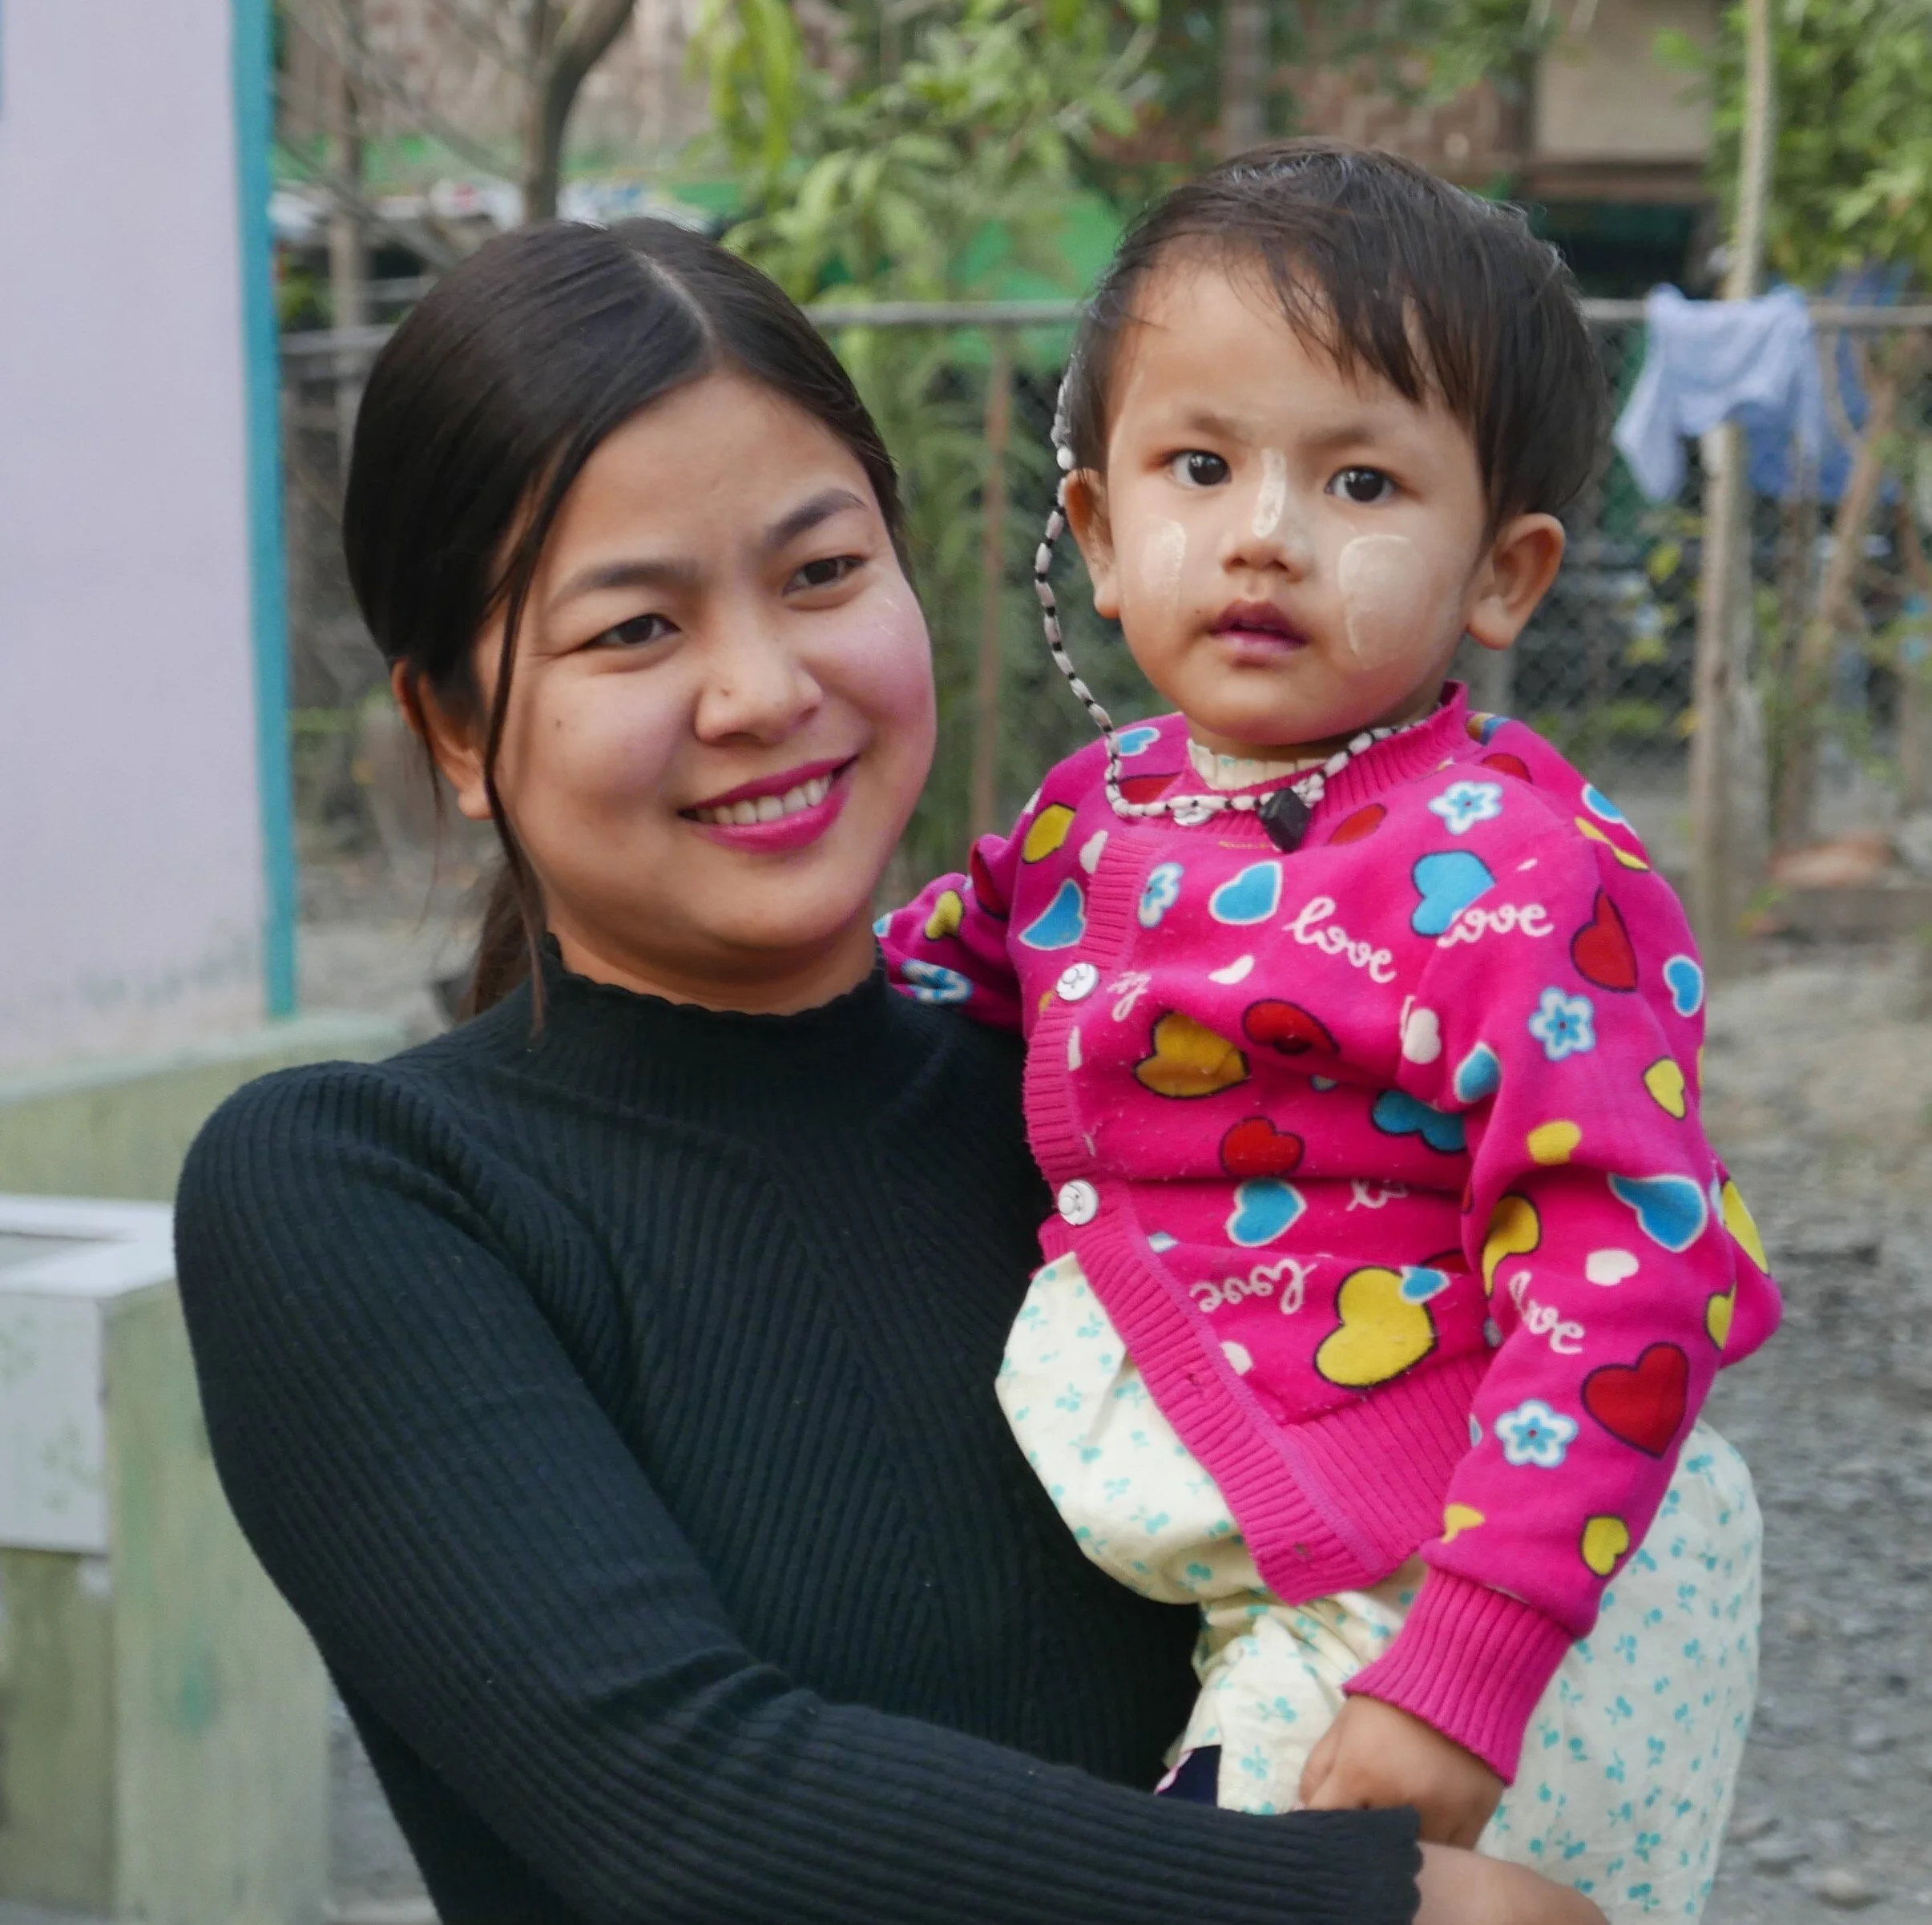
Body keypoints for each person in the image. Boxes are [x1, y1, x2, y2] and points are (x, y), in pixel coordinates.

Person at [172, 217, 1603, 1925]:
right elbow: (680, 1806)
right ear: (457, 733)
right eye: (633, 630)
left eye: (822, 574)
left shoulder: (1116, 1107)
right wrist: (1380, 1909)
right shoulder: (362, 1189)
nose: (764, 690)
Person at [877, 141, 1778, 1919]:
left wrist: (1464, 1662)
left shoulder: (1513, 874)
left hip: (1461, 1571)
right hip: (1288, 1548)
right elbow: (922, 978)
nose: (1265, 531)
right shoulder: (1093, 815)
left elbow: (1628, 1266)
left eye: (1358, 479)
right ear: (1100, 533)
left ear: (1500, 571)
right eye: (1198, 465)